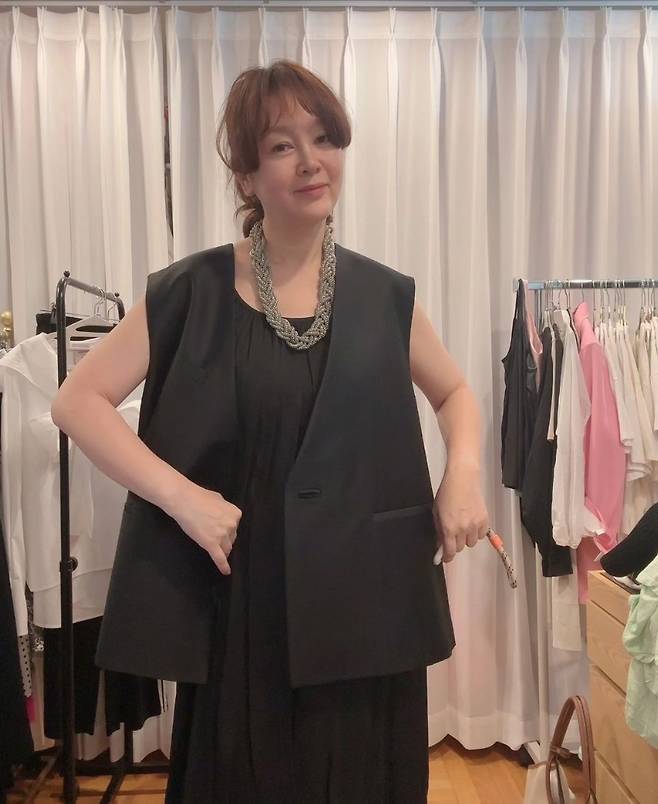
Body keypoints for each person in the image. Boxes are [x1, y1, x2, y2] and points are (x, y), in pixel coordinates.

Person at [52, 60, 489, 804]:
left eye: (325, 138)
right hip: (243, 604)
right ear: (247, 177)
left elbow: (454, 393)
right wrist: (182, 497)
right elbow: (77, 402)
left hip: (366, 597)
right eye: (283, 146)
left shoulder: (384, 295)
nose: (311, 161)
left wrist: (464, 474)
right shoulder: (190, 292)